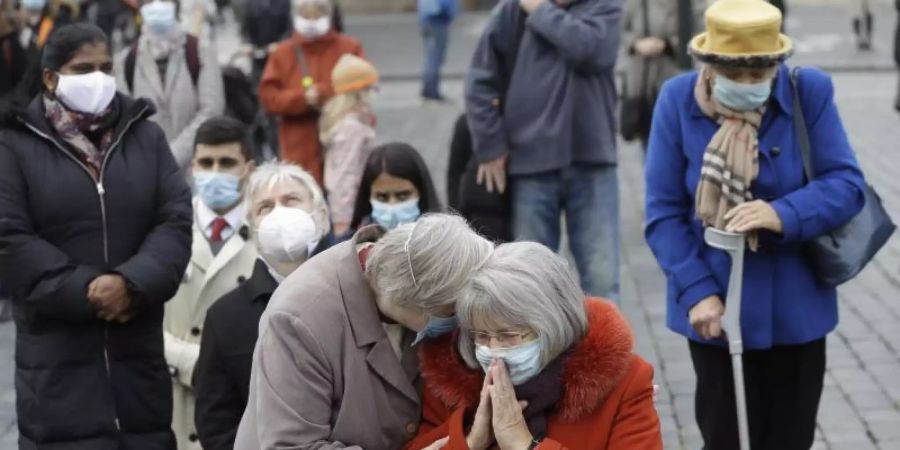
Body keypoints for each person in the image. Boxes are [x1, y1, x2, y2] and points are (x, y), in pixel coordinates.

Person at [644, 1, 867, 449]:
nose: (749, 85)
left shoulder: (809, 92)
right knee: (724, 436)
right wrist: (697, 291)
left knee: (790, 438)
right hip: (716, 310)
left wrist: (782, 213)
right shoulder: (676, 99)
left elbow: (846, 184)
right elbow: (664, 212)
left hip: (794, 310)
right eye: (735, 75)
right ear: (707, 66)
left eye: (760, 74)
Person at [0, 23, 192, 448]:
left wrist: (131, 284)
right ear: (51, 78)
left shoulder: (145, 135)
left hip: (137, 366)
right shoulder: (14, 145)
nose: (99, 78)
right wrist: (86, 290)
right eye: (83, 68)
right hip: (56, 371)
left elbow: (174, 219)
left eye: (106, 67)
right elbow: (9, 239)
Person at [233, 213, 494, 449]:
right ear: (414, 299)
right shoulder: (299, 319)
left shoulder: (404, 289)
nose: (458, 325)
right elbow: (293, 446)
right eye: (452, 313)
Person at [406, 242, 662, 449]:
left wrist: (525, 446)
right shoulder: (451, 381)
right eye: (481, 336)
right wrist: (470, 441)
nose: (493, 351)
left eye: (508, 335)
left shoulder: (624, 382)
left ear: (552, 326)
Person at [466, 0, 623, 300]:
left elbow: (590, 50)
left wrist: (539, 11)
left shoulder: (605, 7)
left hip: (592, 161)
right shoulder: (510, 12)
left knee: (601, 280)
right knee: (532, 281)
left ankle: (605, 348)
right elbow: (479, 83)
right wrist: (490, 146)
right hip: (530, 165)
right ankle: (541, 347)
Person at [194, 161, 332, 450]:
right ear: (252, 227)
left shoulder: (352, 297)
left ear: (321, 217)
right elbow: (216, 423)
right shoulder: (224, 317)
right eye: (265, 207)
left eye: (291, 201)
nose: (279, 213)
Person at [164, 115, 258, 450]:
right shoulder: (165, 228)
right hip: (172, 393)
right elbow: (143, 318)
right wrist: (190, 359)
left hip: (238, 399)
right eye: (206, 162)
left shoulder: (267, 235)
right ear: (192, 167)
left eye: (227, 163)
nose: (215, 172)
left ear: (247, 167)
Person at [259, 0, 365, 183]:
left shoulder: (350, 48)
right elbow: (268, 97)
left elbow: (363, 87)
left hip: (342, 140)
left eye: (317, 15)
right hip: (298, 144)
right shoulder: (282, 53)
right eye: (306, 15)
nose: (312, 21)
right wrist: (302, 99)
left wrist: (326, 94)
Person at [115, 0, 224, 169]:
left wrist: (175, 153)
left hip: (196, 167)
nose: (157, 5)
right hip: (149, 168)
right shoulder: (126, 60)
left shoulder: (200, 51)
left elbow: (211, 110)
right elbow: (126, 119)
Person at [620, 0, 701, 146]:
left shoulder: (690, 4)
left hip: (677, 79)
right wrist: (635, 44)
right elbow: (618, 29)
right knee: (650, 144)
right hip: (642, 85)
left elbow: (701, 34)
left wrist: (669, 44)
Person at [320, 53, 378, 237]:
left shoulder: (349, 121)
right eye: (370, 88)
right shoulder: (351, 128)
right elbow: (345, 174)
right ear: (359, 91)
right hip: (351, 212)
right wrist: (343, 220)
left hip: (353, 208)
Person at [348, 142, 442, 234]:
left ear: (421, 192)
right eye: (382, 197)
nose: (392, 206)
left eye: (403, 195)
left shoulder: (444, 241)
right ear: (368, 196)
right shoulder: (353, 245)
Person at [447, 114, 512, 243]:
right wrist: (455, 218)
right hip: (474, 223)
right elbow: (454, 175)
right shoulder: (466, 124)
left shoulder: (522, 126)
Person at [418, 0, 457, 102]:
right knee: (435, 59)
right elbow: (443, 5)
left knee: (431, 58)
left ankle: (427, 91)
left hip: (427, 21)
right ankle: (431, 92)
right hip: (438, 22)